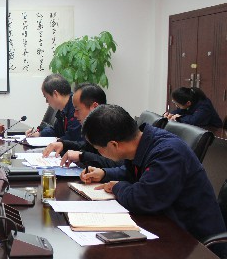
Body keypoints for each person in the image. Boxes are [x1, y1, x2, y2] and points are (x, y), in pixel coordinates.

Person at [80, 104, 225, 243]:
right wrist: (104, 173)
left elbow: (141, 200)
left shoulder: (168, 153)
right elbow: (132, 172)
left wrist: (117, 187)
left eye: (98, 149)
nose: (99, 152)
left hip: (195, 242)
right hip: (165, 226)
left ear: (114, 145)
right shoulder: (142, 142)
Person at [42, 83, 122, 168]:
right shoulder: (96, 127)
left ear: (94, 107)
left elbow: (118, 165)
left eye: (77, 110)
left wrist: (82, 156)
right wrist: (64, 144)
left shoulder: (113, 127)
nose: (75, 115)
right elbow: (86, 147)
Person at [26, 74, 82, 141]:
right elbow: (56, 130)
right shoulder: (63, 109)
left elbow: (73, 138)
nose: (46, 101)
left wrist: (59, 142)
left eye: (46, 97)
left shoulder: (76, 108)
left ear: (55, 94)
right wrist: (39, 134)